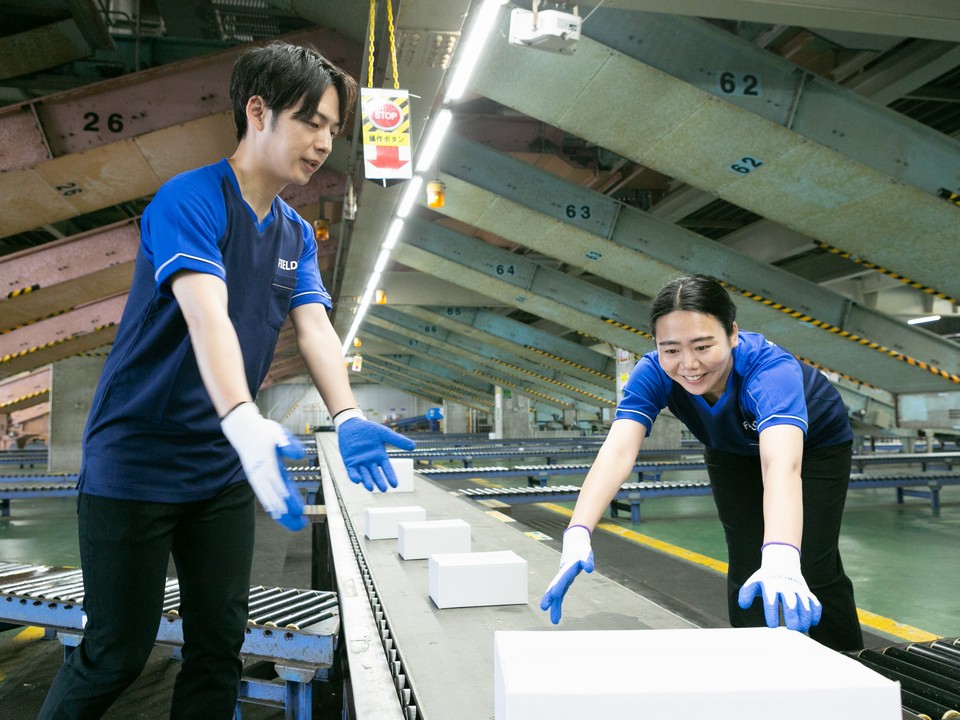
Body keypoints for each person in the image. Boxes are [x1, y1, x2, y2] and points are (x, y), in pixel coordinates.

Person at [38, 41, 415, 720]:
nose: (326, 142)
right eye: (313, 122)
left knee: (218, 647)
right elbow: (206, 313)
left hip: (218, 469)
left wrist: (349, 415)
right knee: (116, 652)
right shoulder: (191, 199)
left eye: (334, 128)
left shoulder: (296, 234)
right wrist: (242, 413)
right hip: (136, 461)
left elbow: (314, 330)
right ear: (258, 111)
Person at [540, 274, 863, 652]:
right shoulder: (654, 373)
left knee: (809, 562)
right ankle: (757, 661)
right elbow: (618, 450)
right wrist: (578, 531)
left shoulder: (770, 372)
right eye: (671, 349)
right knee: (746, 561)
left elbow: (781, 465)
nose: (688, 365)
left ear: (732, 334)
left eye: (703, 346)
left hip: (814, 447)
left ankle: (851, 660)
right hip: (728, 448)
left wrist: (781, 553)